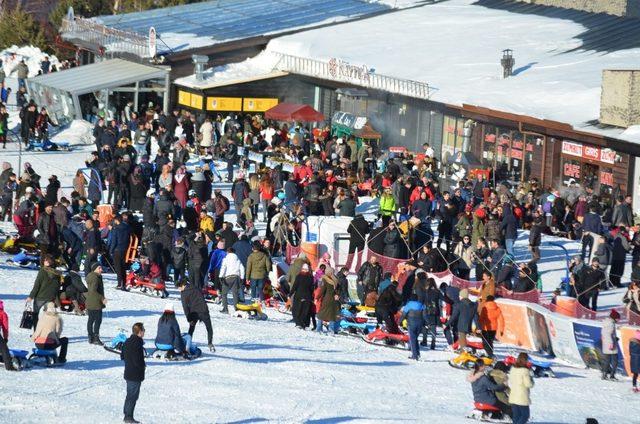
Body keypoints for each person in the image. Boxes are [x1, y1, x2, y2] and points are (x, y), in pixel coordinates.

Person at [26, 254, 61, 331]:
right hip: (50, 298)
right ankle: (46, 332)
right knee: (48, 316)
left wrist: (31, 296)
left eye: (46, 260)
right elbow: (57, 287)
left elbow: (37, 285)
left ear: (49, 262)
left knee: (35, 315)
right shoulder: (57, 273)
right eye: (45, 259)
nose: (44, 261)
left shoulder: (42, 271)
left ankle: (36, 332)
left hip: (40, 297)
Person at [177, 280, 214, 351]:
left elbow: (185, 307)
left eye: (179, 287)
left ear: (183, 285)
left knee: (191, 328)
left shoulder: (184, 293)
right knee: (209, 327)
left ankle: (188, 344)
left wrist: (188, 317)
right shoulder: (195, 287)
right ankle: (210, 343)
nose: (179, 289)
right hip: (204, 310)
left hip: (194, 312)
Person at [121, 322, 146, 424]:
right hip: (135, 374)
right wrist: (142, 366)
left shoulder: (127, 341)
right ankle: (128, 417)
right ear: (139, 332)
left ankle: (127, 413)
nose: (144, 332)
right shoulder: (138, 343)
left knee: (129, 395)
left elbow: (122, 356)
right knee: (133, 396)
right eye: (143, 330)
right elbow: (137, 360)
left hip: (128, 372)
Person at [508, 352, 534, 424]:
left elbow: (510, 381)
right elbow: (528, 384)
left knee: (516, 416)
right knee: (525, 416)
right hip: (522, 397)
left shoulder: (513, 368)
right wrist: (531, 379)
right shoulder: (525, 371)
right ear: (525, 360)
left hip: (513, 395)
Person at [85, 263, 107, 345]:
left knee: (91, 319)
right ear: (94, 269)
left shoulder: (92, 276)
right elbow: (93, 290)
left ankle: (90, 337)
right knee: (98, 320)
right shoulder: (95, 278)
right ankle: (96, 338)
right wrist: (102, 298)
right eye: (99, 268)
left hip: (90, 301)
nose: (101, 269)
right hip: (95, 302)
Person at [219, 247, 245, 313]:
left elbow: (223, 268)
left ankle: (225, 309)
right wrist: (242, 277)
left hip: (228, 277)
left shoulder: (226, 259)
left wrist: (220, 276)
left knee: (224, 294)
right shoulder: (237, 259)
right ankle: (236, 309)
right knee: (235, 294)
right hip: (236, 277)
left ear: (228, 252)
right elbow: (242, 268)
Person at [400, 294, 425, 360]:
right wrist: (428, 323)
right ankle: (417, 353)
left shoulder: (409, 304)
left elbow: (403, 314)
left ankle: (415, 356)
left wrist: (399, 322)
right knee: (415, 338)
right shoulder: (421, 305)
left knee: (412, 339)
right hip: (420, 324)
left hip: (411, 324)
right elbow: (425, 315)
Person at [316, 268, 340, 334]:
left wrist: (317, 297)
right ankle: (331, 329)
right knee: (332, 314)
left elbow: (322, 290)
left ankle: (319, 328)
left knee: (321, 314)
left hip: (326, 299)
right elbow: (338, 290)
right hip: (333, 300)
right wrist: (337, 295)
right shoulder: (335, 280)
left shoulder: (325, 279)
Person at [291, 263, 314, 329]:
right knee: (305, 310)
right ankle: (303, 323)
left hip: (299, 295)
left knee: (297, 309)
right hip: (307, 295)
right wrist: (311, 296)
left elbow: (295, 285)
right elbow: (311, 288)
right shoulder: (310, 277)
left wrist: (290, 293)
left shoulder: (299, 276)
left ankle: (298, 323)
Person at [601, 309, 620, 381]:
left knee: (607, 361)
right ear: (614, 318)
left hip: (606, 344)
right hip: (610, 346)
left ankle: (604, 374)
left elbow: (604, 334)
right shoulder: (611, 324)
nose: (618, 320)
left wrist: (615, 338)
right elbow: (608, 334)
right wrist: (611, 343)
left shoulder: (606, 322)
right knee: (615, 361)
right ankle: (612, 375)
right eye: (618, 318)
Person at [0, 300, 17, 371]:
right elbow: (5, 327)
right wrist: (5, 337)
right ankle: (9, 367)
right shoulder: (3, 314)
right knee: (4, 349)